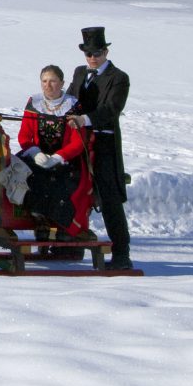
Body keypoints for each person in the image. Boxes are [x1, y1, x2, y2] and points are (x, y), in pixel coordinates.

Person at [66, 25, 132, 269]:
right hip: (78, 142)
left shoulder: (119, 78)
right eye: (88, 54)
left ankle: (121, 253)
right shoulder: (80, 73)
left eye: (97, 53)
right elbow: (71, 100)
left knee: (108, 197)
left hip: (103, 145)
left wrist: (86, 119)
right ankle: (67, 240)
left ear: (106, 52)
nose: (92, 58)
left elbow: (111, 109)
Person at [15, 64, 90, 238]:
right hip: (37, 156)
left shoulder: (72, 106)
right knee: (30, 174)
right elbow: (24, 136)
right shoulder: (34, 103)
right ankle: (39, 218)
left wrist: (58, 157)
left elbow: (78, 142)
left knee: (62, 179)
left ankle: (62, 224)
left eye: (53, 81)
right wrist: (35, 153)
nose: (48, 85)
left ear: (62, 83)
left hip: (65, 159)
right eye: (44, 81)